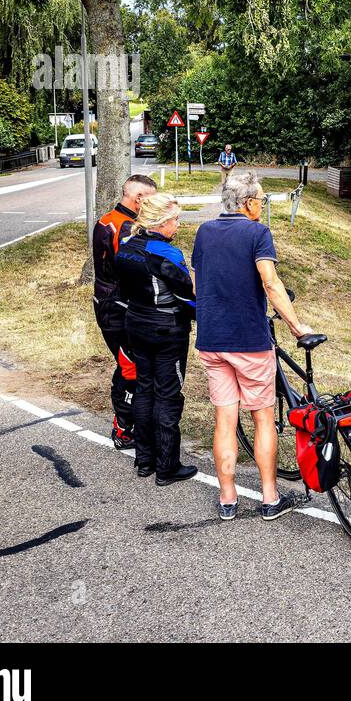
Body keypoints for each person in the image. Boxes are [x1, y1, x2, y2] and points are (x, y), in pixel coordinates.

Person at [193, 170, 314, 521]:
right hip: (248, 340)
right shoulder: (258, 233)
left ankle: (228, 499)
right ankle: (270, 497)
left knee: (224, 421)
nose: (262, 205)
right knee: (263, 418)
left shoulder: (204, 231)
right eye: (260, 199)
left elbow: (199, 286)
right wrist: (296, 326)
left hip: (212, 341)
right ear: (248, 203)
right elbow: (271, 283)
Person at [114, 193, 198, 485]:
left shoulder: (125, 246)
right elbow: (188, 297)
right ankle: (167, 467)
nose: (177, 225)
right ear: (161, 222)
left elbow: (120, 288)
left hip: (135, 323)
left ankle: (144, 461)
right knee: (167, 395)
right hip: (167, 330)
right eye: (175, 219)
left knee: (144, 389)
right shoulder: (168, 254)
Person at [92, 173, 158, 449]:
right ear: (139, 197)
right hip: (117, 306)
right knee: (130, 367)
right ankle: (123, 428)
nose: (153, 205)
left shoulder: (105, 218)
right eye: (151, 199)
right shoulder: (126, 227)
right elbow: (131, 270)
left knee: (130, 364)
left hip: (105, 300)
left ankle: (131, 423)